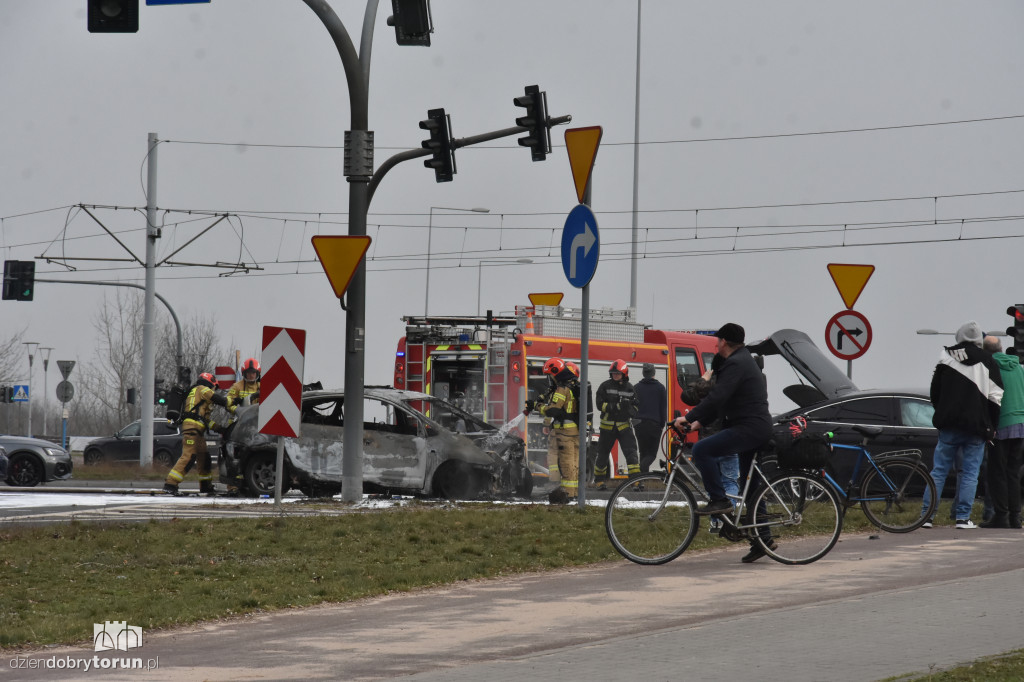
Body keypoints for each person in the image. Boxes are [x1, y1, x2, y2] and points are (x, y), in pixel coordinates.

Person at [672, 323, 773, 563]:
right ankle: (763, 540)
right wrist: (699, 422)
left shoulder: (736, 364)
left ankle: (719, 500)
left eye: (718, 341)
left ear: (724, 342)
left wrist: (689, 416)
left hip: (749, 428)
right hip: (753, 427)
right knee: (752, 488)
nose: (716, 344)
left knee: (702, 449)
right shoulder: (741, 360)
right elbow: (722, 402)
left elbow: (717, 397)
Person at [921, 321, 1003, 529]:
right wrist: (992, 426)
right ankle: (962, 518)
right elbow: (995, 397)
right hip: (976, 427)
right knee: (970, 473)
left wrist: (941, 412)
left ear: (959, 337)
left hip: (948, 424)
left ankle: (926, 517)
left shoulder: (945, 357)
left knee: (938, 471)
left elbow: (935, 391)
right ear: (978, 341)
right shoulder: (988, 361)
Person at [680, 358, 741, 530]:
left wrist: (703, 379)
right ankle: (728, 520)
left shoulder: (707, 386)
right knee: (729, 482)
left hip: (708, 441)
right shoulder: (729, 383)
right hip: (728, 439)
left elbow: (687, 396)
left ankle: (716, 522)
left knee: (712, 483)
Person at [980, 336, 1024, 529]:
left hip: (1001, 425)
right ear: (1001, 348)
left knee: (996, 472)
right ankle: (1016, 517)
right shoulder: (1018, 368)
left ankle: (1001, 515)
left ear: (985, 351)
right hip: (1021, 425)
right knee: (1013, 472)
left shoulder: (990, 368)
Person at [163, 372, 231, 496]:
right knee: (188, 456)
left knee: (204, 459)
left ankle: (206, 486)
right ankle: (170, 484)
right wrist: (231, 401)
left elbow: (205, 421)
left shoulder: (197, 395)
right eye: (215, 387)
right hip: (192, 429)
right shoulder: (202, 389)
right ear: (211, 382)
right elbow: (218, 399)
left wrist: (221, 429)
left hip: (198, 431)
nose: (214, 389)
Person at [533, 357, 580, 504]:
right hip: (574, 430)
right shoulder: (573, 385)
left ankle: (568, 494)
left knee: (566, 463)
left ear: (556, 373)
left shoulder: (562, 388)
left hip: (564, 432)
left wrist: (537, 406)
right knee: (573, 463)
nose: (550, 379)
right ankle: (574, 493)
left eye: (551, 375)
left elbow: (553, 410)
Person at [593, 360, 640, 488]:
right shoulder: (605, 386)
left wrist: (629, 411)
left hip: (624, 426)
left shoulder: (630, 388)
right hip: (607, 428)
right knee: (602, 454)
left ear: (624, 374)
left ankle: (635, 481)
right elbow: (599, 405)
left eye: (618, 373)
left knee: (631, 453)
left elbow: (636, 406)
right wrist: (617, 407)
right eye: (613, 373)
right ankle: (599, 481)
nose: (615, 375)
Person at [223, 358, 261, 493]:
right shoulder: (237, 386)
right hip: (237, 425)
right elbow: (228, 404)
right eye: (249, 372)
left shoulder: (262, 387)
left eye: (253, 372)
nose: (251, 375)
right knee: (232, 456)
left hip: (255, 426)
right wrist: (238, 410)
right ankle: (232, 486)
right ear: (244, 373)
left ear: (258, 373)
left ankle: (249, 483)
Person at [635, 363, 667, 474]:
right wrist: (662, 424)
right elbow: (663, 408)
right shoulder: (660, 388)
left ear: (643, 373)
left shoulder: (636, 387)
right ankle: (639, 473)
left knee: (643, 453)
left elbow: (633, 407)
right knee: (652, 454)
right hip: (654, 424)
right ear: (654, 373)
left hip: (639, 424)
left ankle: (641, 480)